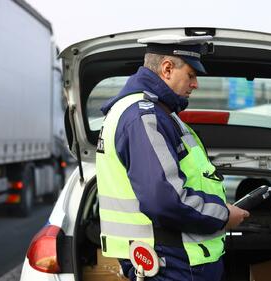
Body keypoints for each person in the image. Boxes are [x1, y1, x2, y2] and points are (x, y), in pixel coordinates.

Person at [96, 34, 250, 281]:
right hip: (172, 265)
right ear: (167, 68)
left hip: (173, 261)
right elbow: (164, 200)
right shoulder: (144, 116)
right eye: (191, 74)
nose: (196, 84)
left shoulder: (152, 112)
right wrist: (223, 216)